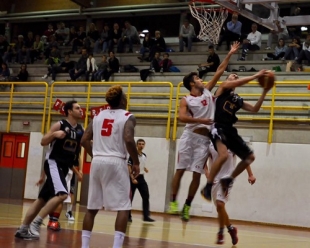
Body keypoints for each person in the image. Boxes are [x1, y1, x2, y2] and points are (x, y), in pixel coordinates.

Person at [168, 42, 240, 222]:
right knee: (180, 170)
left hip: (203, 141)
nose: (201, 80)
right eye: (198, 79)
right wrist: (200, 120)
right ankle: (173, 201)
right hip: (189, 137)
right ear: (192, 83)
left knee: (196, 175)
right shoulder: (186, 99)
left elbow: (220, 70)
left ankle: (187, 205)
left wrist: (230, 53)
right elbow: (181, 118)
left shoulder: (208, 92)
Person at [80, 85, 140, 248]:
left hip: (97, 161)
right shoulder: (128, 116)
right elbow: (128, 139)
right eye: (125, 96)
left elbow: (84, 140)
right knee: (124, 207)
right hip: (116, 161)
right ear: (121, 100)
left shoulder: (98, 115)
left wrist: (97, 154)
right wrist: (136, 161)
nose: (127, 99)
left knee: (91, 207)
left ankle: (84, 246)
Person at [15, 100, 84, 239]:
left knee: (41, 199)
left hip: (64, 167)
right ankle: (36, 223)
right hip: (53, 163)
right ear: (69, 111)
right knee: (63, 195)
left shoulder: (80, 130)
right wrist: (54, 135)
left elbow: (73, 155)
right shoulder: (60, 124)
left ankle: (23, 229)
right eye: (77, 108)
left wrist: (77, 171)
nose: (81, 110)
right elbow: (43, 141)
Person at [201, 70, 269, 202]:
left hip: (230, 129)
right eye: (233, 75)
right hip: (217, 126)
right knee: (224, 155)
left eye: (236, 76)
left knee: (250, 157)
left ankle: (229, 179)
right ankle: (208, 186)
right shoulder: (222, 88)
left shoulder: (236, 99)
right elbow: (237, 82)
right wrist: (255, 75)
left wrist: (265, 91)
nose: (235, 76)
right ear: (227, 79)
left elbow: (254, 109)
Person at [206, 143, 256, 245]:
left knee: (220, 204)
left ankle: (221, 233)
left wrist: (250, 174)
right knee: (220, 209)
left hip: (227, 178)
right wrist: (208, 176)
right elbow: (202, 162)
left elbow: (245, 158)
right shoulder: (210, 142)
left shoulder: (231, 140)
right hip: (214, 180)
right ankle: (231, 228)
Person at [128, 139, 155, 223]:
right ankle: (128, 216)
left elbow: (140, 164)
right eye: (139, 144)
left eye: (142, 144)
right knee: (130, 198)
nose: (141, 145)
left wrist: (144, 168)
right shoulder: (132, 155)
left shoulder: (144, 155)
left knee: (146, 196)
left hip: (141, 178)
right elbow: (129, 166)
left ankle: (146, 216)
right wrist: (132, 178)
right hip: (133, 178)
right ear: (136, 145)